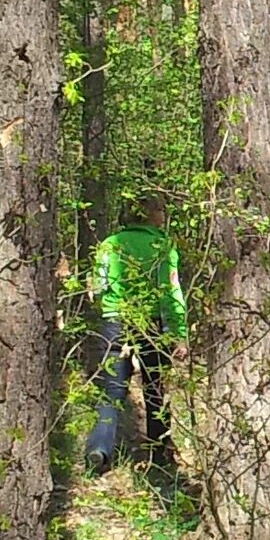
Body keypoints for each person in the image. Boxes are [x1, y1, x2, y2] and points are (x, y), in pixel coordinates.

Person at [84, 198, 188, 476]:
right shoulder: (162, 246)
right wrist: (179, 333)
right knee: (155, 388)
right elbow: (171, 293)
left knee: (112, 390)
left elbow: (99, 286)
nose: (164, 216)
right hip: (150, 324)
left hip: (114, 322)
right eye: (161, 210)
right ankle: (159, 451)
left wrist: (109, 313)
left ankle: (100, 449)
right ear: (152, 215)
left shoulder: (109, 244)